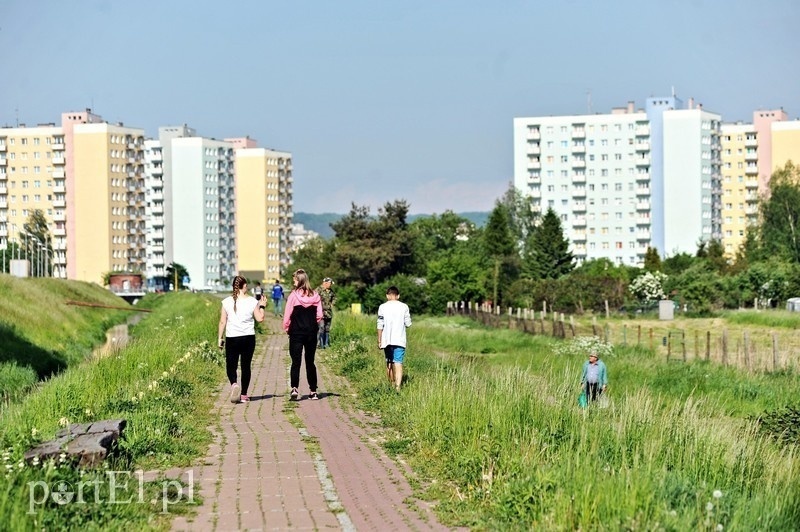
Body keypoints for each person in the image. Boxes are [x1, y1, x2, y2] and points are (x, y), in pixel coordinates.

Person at [218, 275, 266, 403]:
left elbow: (223, 322)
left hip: (232, 338)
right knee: (246, 366)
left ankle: (234, 384)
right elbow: (260, 319)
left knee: (231, 365)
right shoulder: (252, 301)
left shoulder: (226, 301)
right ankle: (244, 395)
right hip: (248, 338)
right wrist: (262, 306)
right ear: (244, 286)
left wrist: (219, 338)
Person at [282, 269, 323, 400]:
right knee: (310, 361)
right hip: (311, 332)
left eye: (294, 279)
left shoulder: (293, 296)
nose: (293, 281)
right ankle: (313, 390)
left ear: (299, 280)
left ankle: (294, 388)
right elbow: (320, 315)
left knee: (296, 361)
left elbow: (287, 315)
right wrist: (311, 323)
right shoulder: (315, 295)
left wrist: (287, 327)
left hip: (296, 332)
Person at [377, 286, 412, 391]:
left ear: (387, 296)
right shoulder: (404, 306)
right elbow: (408, 323)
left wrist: (379, 340)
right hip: (400, 339)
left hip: (386, 339)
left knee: (389, 362)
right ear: (398, 296)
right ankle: (398, 387)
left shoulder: (382, 307)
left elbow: (380, 324)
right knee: (398, 362)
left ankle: (391, 384)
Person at [316, 277, 336, 349]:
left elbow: (334, 298)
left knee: (327, 329)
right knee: (321, 328)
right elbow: (313, 298)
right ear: (325, 283)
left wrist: (332, 303)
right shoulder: (318, 290)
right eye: (330, 283)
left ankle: (326, 344)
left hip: (328, 313)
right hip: (320, 313)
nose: (331, 285)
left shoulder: (331, 291)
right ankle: (320, 344)